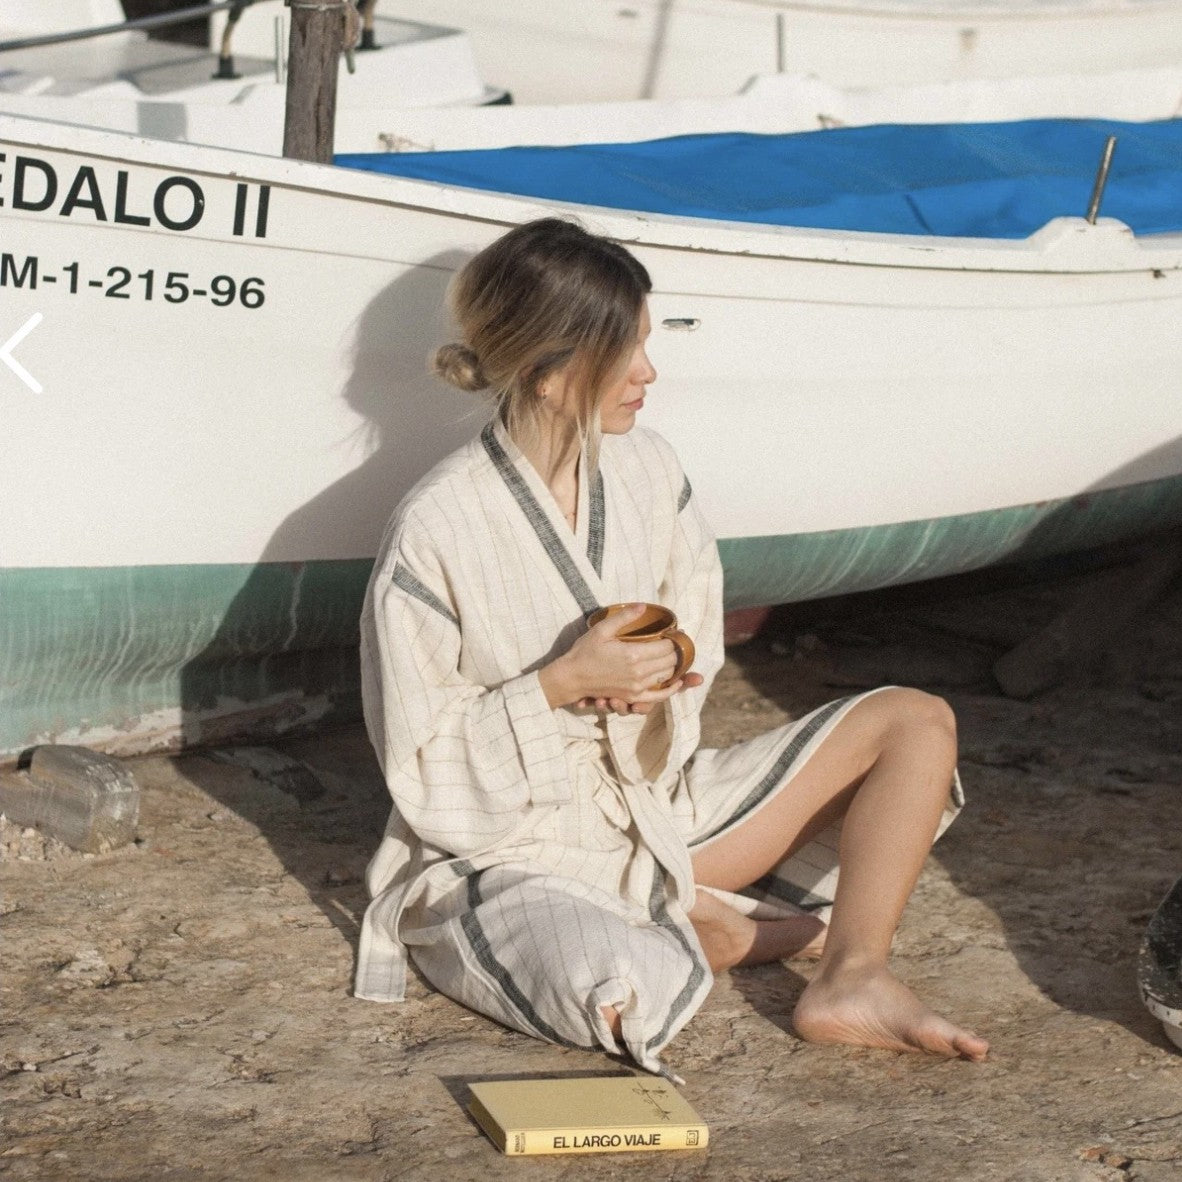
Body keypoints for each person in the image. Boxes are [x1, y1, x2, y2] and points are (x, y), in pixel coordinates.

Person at [354, 217, 988, 1077]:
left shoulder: (649, 468)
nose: (648, 372)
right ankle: (720, 932)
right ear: (547, 370)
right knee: (619, 993)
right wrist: (560, 683)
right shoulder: (436, 527)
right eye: (627, 351)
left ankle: (851, 975)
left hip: (660, 812)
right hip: (517, 853)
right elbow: (422, 761)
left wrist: (665, 673)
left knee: (914, 722)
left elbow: (694, 637)